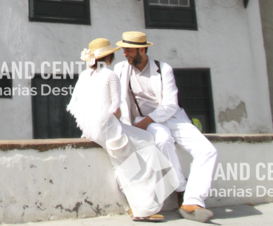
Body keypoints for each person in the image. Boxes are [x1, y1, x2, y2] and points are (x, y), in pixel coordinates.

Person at [114, 31, 218, 223]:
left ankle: (193, 201)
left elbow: (170, 104)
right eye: (123, 49)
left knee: (208, 150)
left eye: (128, 49)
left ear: (142, 49)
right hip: (144, 121)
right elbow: (118, 100)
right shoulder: (120, 69)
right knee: (162, 140)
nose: (124, 53)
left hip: (172, 117)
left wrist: (148, 121)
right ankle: (181, 190)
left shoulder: (164, 68)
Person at [67, 38, 171, 222]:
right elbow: (116, 107)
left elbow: (78, 105)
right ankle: (144, 207)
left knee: (125, 160)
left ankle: (131, 205)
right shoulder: (110, 75)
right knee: (146, 144)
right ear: (109, 56)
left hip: (90, 131)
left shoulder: (85, 76)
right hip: (108, 129)